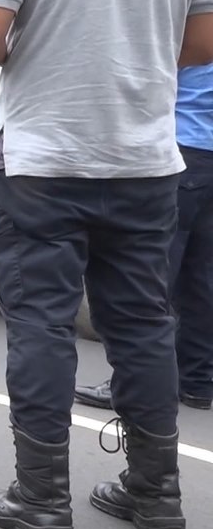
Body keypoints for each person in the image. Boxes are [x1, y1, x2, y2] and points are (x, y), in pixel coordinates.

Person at [0, 0, 213, 529]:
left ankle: (41, 501)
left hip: (44, 161)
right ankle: (156, 494)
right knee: (144, 325)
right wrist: (134, 59)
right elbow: (202, 43)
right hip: (146, 165)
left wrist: (53, 51)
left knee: (42, 325)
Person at [75, 64, 213, 414]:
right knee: (201, 279)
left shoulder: (192, 24)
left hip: (181, 152)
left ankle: (132, 385)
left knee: (150, 279)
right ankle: (197, 383)